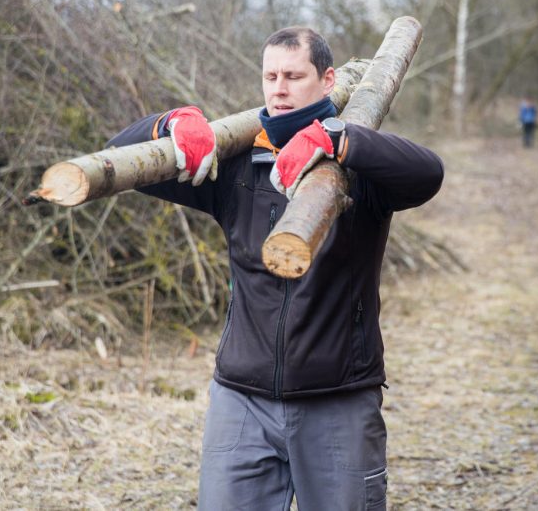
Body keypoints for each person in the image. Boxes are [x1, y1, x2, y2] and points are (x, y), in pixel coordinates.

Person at [107, 26, 444, 509]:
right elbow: (121, 156)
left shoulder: (361, 168)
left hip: (338, 400)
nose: (279, 88)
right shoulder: (238, 164)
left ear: (328, 81)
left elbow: (428, 172)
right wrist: (169, 125)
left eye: (293, 75)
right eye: (270, 76)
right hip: (240, 400)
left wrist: (341, 141)